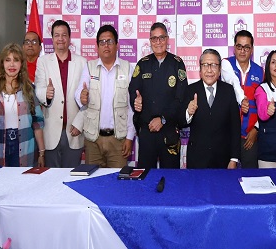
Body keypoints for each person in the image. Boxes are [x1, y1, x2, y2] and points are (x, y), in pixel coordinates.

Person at [73, 25, 135, 168]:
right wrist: (81, 97)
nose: (106, 45)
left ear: (117, 45)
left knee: (117, 180)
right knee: (93, 180)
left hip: (118, 140)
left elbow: (131, 106)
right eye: (102, 42)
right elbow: (79, 92)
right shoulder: (89, 67)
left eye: (110, 41)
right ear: (97, 46)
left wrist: (130, 137)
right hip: (93, 141)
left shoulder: (127, 68)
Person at [128, 22, 187, 169]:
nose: (158, 42)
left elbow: (181, 98)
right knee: (145, 175)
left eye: (161, 38)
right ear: (150, 41)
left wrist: (163, 119)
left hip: (169, 131)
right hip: (147, 131)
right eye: (154, 38)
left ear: (167, 39)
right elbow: (133, 90)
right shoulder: (143, 64)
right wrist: (136, 102)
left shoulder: (177, 63)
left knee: (171, 177)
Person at [0, 43, 45, 167]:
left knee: (22, 178)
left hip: (25, 147)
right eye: (8, 60)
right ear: (2, 63)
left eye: (16, 60)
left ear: (22, 64)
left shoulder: (29, 89)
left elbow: (38, 122)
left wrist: (42, 153)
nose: (12, 64)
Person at [34, 20, 87, 168]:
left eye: (64, 35)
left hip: (74, 130)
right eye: (57, 35)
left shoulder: (82, 62)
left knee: (72, 176)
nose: (60, 39)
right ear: (52, 39)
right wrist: (46, 94)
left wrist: (80, 123)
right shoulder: (43, 61)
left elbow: (88, 98)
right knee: (51, 177)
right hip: (50, 131)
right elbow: (38, 88)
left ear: (69, 38)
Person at [180, 49, 240, 169]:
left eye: (214, 65)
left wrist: (234, 159)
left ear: (219, 70)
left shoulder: (228, 90)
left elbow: (235, 127)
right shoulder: (190, 90)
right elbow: (180, 122)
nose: (209, 70)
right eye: (205, 65)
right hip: (197, 159)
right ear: (200, 70)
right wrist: (188, 113)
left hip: (223, 159)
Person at [220, 30, 263, 168]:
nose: (242, 51)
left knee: (250, 176)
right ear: (234, 48)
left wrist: (256, 129)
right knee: (226, 176)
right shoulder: (225, 64)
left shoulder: (260, 71)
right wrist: (242, 99)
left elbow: (263, 105)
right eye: (239, 46)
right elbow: (233, 83)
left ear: (252, 49)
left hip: (249, 137)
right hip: (227, 135)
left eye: (246, 47)